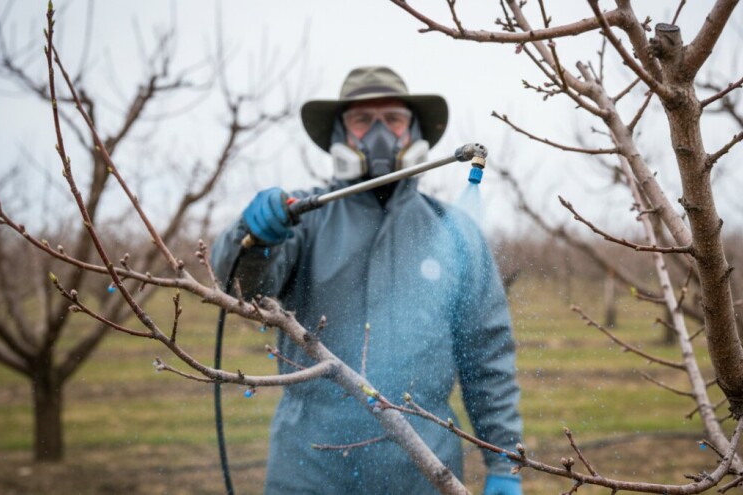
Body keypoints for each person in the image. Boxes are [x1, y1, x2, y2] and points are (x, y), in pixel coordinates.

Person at [212, 66, 522, 495]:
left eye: (392, 119)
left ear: (413, 131)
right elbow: (243, 288)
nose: (379, 133)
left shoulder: (453, 231)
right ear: (342, 135)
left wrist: (504, 460)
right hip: (309, 466)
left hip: (422, 469)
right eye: (363, 120)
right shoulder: (302, 219)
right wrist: (253, 238)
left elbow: (487, 357)